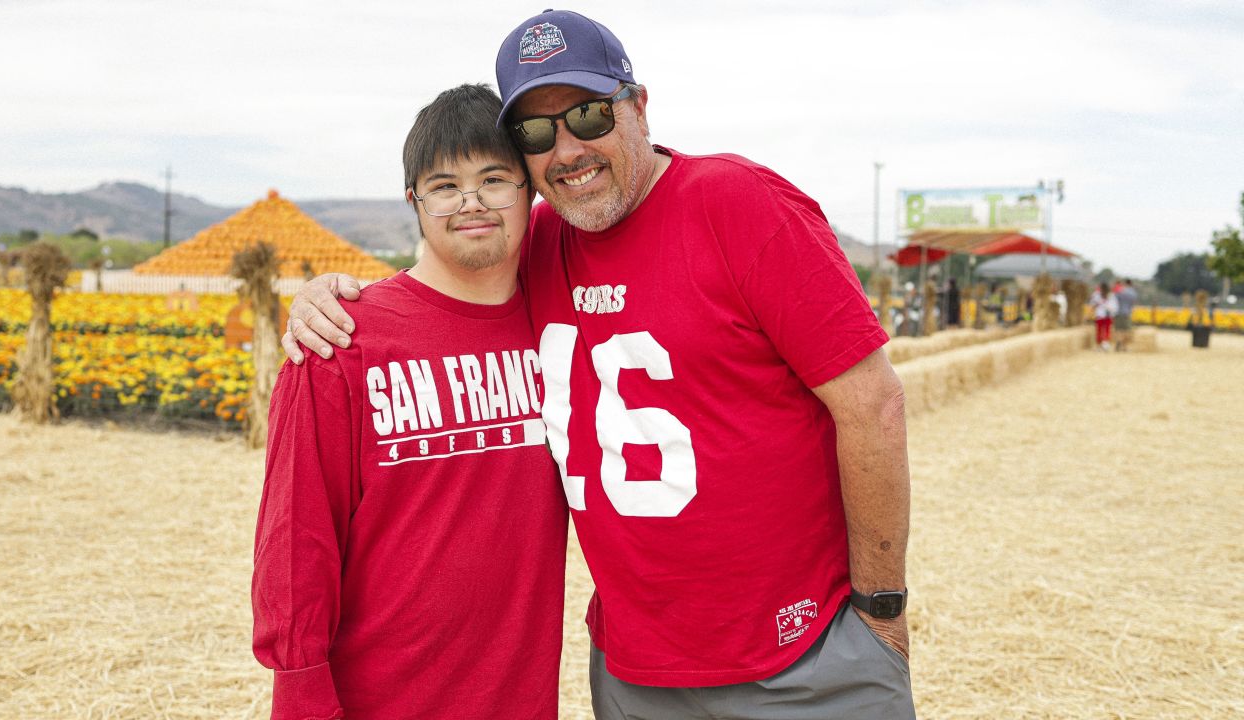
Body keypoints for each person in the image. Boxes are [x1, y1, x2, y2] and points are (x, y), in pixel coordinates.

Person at [285, 10, 914, 718]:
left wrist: (880, 607)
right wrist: (336, 298)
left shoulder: (740, 204)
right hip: (632, 672)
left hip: (799, 657)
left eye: (587, 114)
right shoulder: (541, 241)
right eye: (534, 132)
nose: (567, 148)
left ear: (638, 106)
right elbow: (449, 268)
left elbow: (874, 403)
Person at [251, 85, 568, 720]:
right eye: (445, 185)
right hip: (377, 701)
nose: (471, 202)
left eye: (495, 178)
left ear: (528, 192)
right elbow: (295, 541)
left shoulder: (556, 325)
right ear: (414, 202)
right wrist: (301, 696)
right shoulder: (342, 341)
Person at [1089, 282, 1118, 350]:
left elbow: (1092, 305)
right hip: (1104, 315)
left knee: (1100, 331)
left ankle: (1102, 344)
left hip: (1102, 315)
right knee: (1105, 330)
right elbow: (1114, 307)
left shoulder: (1098, 295)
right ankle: (1104, 344)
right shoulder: (1110, 296)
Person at [1113, 278, 1138, 351]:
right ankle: (1124, 346)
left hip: (1118, 312)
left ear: (1125, 284)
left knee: (1118, 329)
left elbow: (1114, 300)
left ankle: (1118, 341)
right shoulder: (1133, 293)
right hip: (1127, 313)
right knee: (1127, 330)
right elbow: (1133, 304)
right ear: (1131, 284)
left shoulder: (1119, 291)